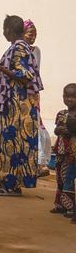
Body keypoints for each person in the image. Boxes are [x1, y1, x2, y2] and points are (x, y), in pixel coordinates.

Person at [0, 15, 43, 196]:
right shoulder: (19, 47)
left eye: (4, 29)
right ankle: (12, 185)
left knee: (10, 143)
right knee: (14, 143)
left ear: (9, 30)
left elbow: (24, 75)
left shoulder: (19, 48)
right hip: (15, 104)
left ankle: (9, 184)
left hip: (16, 107)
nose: (3, 32)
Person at [24, 20, 52, 176]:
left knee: (36, 124)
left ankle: (40, 163)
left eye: (35, 34)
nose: (33, 37)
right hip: (22, 93)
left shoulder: (36, 50)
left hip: (31, 92)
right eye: (30, 34)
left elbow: (33, 72)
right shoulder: (17, 49)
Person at [50, 84, 76, 218]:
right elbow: (56, 129)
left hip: (70, 152)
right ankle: (59, 204)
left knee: (68, 179)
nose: (69, 99)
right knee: (59, 178)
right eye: (67, 96)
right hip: (59, 151)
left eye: (73, 97)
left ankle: (70, 207)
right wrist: (58, 130)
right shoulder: (61, 114)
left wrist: (69, 131)